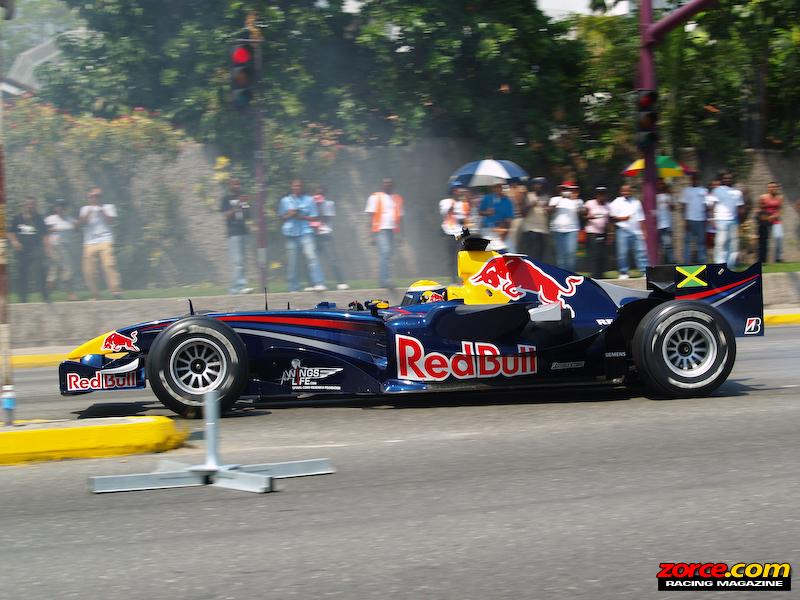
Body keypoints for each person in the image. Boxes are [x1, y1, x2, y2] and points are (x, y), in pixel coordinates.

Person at [280, 179, 326, 292]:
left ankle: (319, 283)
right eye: (295, 186)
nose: (297, 188)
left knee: (312, 256)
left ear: (302, 187)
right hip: (291, 233)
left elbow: (315, 217)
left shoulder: (309, 200)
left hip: (306, 232)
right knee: (292, 262)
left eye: (299, 186)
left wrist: (301, 216)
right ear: (291, 187)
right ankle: (293, 287)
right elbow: (281, 217)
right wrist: (290, 214)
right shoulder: (285, 200)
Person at [79, 186, 122, 300]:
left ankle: (116, 291)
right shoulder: (84, 209)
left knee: (109, 264)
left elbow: (111, 221)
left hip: (105, 240)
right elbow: (83, 222)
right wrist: (90, 209)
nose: (96, 198)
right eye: (93, 196)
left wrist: (101, 210)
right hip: (89, 242)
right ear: (89, 196)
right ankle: (96, 295)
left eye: (98, 196)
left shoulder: (108, 207)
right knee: (89, 270)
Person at [365, 178, 404, 291]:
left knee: (386, 255)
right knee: (385, 252)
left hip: (392, 230)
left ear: (393, 186)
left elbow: (401, 218)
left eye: (390, 184)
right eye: (385, 183)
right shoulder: (375, 197)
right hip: (380, 229)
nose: (387, 185)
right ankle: (386, 280)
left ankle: (383, 282)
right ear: (382, 185)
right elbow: (370, 217)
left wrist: (401, 235)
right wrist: (370, 235)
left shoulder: (397, 198)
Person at [8, 197, 49, 303]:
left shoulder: (39, 218)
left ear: (35, 205)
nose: (30, 206)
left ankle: (44, 295)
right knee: (22, 273)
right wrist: (15, 242)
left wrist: (46, 247)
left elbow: (45, 234)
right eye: (28, 204)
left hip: (36, 248)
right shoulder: (18, 218)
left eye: (32, 204)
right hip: (22, 250)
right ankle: (23, 297)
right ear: (24, 205)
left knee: (41, 270)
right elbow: (11, 232)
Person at [219, 178, 253, 295]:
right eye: (235, 184)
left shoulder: (243, 198)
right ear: (230, 185)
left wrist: (245, 204)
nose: (237, 186)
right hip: (233, 233)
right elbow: (226, 216)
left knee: (241, 261)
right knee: (237, 262)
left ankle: (236, 288)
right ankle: (238, 287)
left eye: (239, 184)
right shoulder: (226, 199)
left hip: (243, 231)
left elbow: (248, 216)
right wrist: (238, 204)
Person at [312, 185, 349, 289]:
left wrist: (319, 206)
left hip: (325, 234)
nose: (319, 195)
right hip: (314, 235)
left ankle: (341, 282)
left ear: (324, 195)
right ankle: (315, 283)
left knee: (333, 259)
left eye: (321, 193)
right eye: (317, 193)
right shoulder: (311, 204)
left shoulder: (329, 204)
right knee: (313, 260)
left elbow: (326, 219)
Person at [609, 184, 648, 279]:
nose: (626, 192)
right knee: (622, 253)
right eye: (624, 191)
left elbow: (641, 218)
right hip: (623, 230)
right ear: (620, 192)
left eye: (628, 191)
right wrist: (622, 218)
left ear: (631, 192)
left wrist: (644, 231)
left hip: (637, 231)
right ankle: (623, 273)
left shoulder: (636, 202)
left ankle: (644, 272)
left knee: (641, 252)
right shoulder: (616, 203)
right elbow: (611, 218)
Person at [709, 171, 745, 268]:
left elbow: (740, 207)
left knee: (733, 245)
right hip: (721, 220)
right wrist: (712, 219)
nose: (727, 180)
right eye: (725, 178)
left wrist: (740, 221)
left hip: (734, 220)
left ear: (732, 179)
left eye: (729, 178)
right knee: (720, 243)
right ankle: (719, 265)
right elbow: (712, 206)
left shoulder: (737, 192)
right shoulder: (717, 190)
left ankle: (730, 265)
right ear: (722, 180)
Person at [44, 198, 78, 300]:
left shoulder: (70, 219)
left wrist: (78, 224)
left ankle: (47, 293)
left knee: (57, 270)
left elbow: (77, 229)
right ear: (55, 208)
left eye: (63, 206)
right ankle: (70, 294)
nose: (61, 208)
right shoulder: (50, 219)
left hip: (67, 247)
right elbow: (44, 233)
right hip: (55, 246)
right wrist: (47, 247)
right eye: (58, 206)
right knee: (65, 269)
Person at [548, 181, 584, 271]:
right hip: (557, 230)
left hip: (572, 230)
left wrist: (575, 200)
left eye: (568, 189)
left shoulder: (577, 201)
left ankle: (570, 274)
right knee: (561, 255)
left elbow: (582, 212)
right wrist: (560, 199)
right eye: (564, 189)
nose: (566, 191)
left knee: (571, 253)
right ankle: (562, 276)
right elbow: (549, 210)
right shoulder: (555, 199)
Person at [439, 185, 469, 281]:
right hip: (448, 233)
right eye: (457, 190)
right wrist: (452, 205)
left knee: (460, 255)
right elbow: (445, 213)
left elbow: (463, 219)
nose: (459, 192)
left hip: (459, 234)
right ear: (453, 191)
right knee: (451, 256)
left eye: (459, 190)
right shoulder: (445, 202)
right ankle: (453, 278)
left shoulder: (463, 204)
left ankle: (460, 276)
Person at [519, 177, 550, 260]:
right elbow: (523, 213)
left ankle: (538, 267)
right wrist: (531, 205)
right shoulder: (528, 196)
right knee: (532, 251)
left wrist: (548, 209)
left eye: (540, 184)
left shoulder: (546, 197)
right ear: (533, 186)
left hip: (543, 229)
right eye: (536, 184)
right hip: (531, 228)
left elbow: (550, 212)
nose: (538, 186)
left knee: (541, 252)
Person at [680, 173, 708, 263]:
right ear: (691, 180)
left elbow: (705, 205)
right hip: (690, 220)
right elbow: (683, 206)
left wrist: (706, 219)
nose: (695, 180)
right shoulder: (686, 190)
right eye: (693, 179)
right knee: (687, 242)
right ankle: (686, 262)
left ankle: (702, 262)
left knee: (701, 242)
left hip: (701, 220)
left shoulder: (703, 190)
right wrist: (685, 220)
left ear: (699, 180)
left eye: (696, 179)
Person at [583, 186, 611, 278]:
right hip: (592, 233)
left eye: (603, 194)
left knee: (602, 255)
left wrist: (610, 234)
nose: (601, 196)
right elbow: (583, 215)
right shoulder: (590, 203)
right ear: (596, 195)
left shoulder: (607, 205)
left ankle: (601, 275)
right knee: (594, 255)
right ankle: (594, 276)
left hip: (603, 233)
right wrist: (588, 217)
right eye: (599, 194)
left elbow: (608, 221)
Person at [478, 182, 514, 251]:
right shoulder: (487, 198)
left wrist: (504, 233)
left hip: (501, 230)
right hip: (487, 229)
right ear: (492, 188)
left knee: (506, 251)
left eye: (499, 187)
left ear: (502, 188)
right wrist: (487, 213)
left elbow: (509, 219)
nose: (497, 189)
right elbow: (480, 212)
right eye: (495, 187)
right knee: (488, 252)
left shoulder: (507, 201)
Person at [757, 181, 784, 263]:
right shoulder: (763, 197)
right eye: (770, 187)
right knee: (764, 240)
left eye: (774, 187)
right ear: (768, 188)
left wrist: (774, 216)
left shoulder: (780, 197)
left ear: (777, 188)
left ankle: (778, 258)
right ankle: (763, 259)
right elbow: (759, 209)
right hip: (765, 221)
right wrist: (764, 217)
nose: (772, 188)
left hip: (776, 220)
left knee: (779, 237)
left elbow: (780, 210)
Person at [656, 178, 675, 264]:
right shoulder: (653, 196)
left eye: (662, 184)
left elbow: (673, 208)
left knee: (668, 245)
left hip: (666, 224)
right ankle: (660, 263)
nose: (660, 185)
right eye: (658, 184)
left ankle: (671, 262)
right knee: (658, 246)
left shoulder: (668, 195)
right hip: (656, 225)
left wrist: (669, 204)